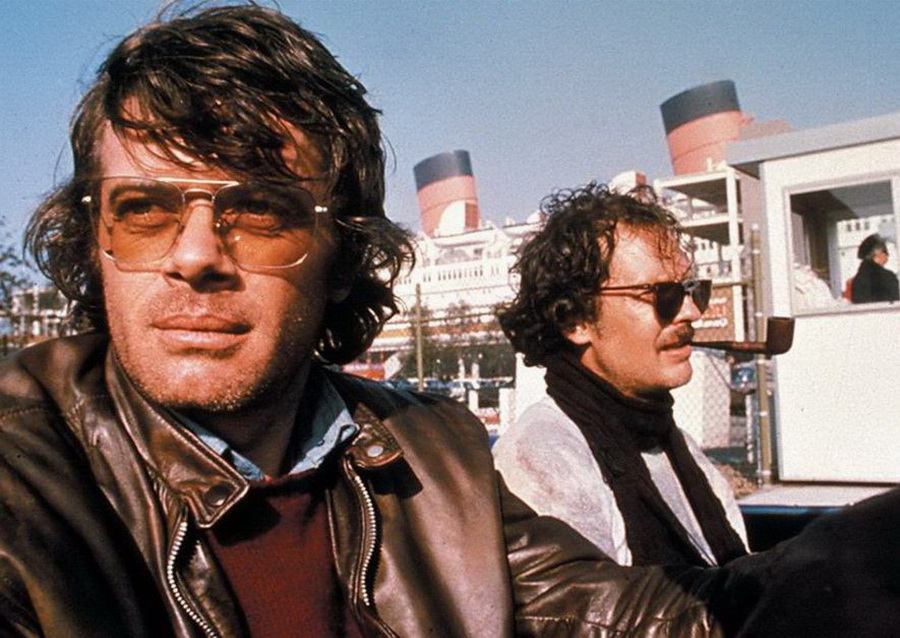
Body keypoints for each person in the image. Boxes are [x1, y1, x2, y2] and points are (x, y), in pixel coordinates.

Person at [2, 5, 898, 637]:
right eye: (143, 211)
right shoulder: (27, 480)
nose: (195, 254)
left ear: (344, 254)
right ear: (93, 237)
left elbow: (651, 621)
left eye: (262, 211)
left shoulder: (432, 458)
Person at [495, 183, 749, 567]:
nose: (691, 312)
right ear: (575, 320)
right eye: (662, 295)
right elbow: (595, 603)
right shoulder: (544, 456)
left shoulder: (677, 446)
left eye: (692, 290)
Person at [850, 233, 899, 303]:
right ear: (878, 253)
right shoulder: (888, 277)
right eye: (885, 251)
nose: (888, 255)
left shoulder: (857, 280)